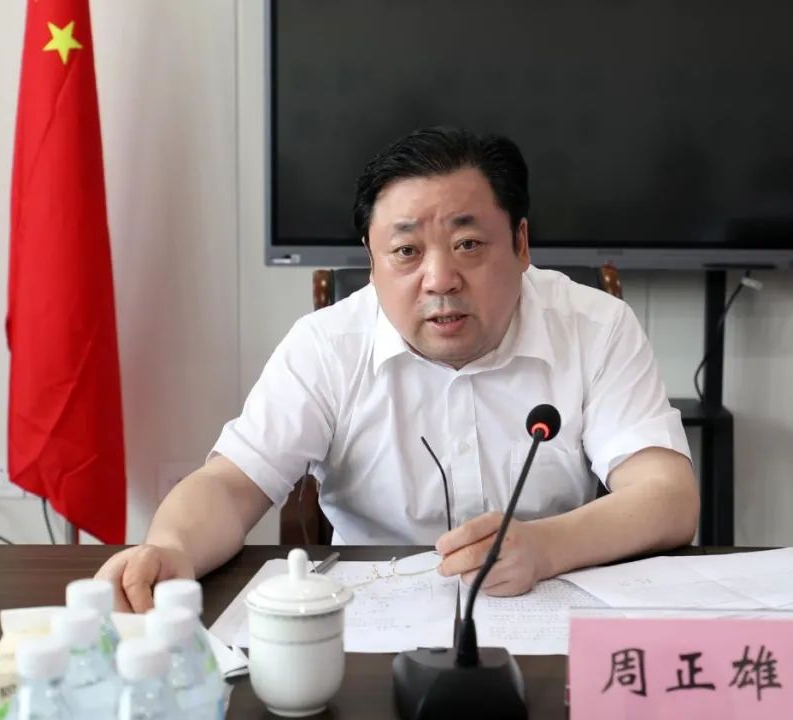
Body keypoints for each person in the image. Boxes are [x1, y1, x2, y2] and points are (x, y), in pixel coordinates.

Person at [96, 127, 698, 612]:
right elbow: (230, 486)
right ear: (372, 259)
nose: (440, 280)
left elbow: (667, 497)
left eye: (467, 244)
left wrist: (547, 546)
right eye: (407, 251)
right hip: (371, 619)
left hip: (550, 605)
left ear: (521, 244)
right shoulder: (327, 346)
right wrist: (169, 548)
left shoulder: (595, 326)